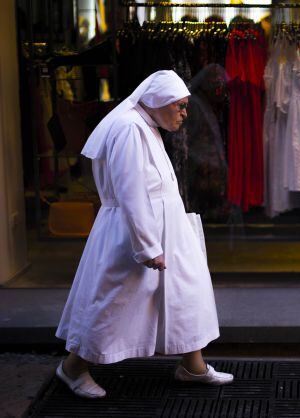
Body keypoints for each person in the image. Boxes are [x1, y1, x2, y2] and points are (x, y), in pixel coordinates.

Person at [54, 70, 233, 399]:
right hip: (133, 233)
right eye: (179, 106)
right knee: (113, 300)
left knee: (185, 294)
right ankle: (72, 368)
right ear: (158, 102)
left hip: (167, 230)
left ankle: (193, 366)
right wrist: (148, 245)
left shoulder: (146, 126)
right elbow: (131, 192)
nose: (184, 113)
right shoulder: (129, 128)